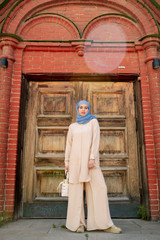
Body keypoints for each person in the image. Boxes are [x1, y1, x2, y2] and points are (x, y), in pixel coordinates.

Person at [64, 100, 122, 233]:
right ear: (77, 109)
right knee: (75, 193)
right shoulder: (72, 126)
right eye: (81, 107)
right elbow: (69, 145)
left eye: (86, 108)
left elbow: (95, 140)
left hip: (91, 163)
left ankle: (104, 224)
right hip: (75, 162)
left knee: (99, 189)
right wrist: (67, 163)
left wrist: (92, 158)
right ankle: (77, 224)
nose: (83, 110)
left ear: (89, 109)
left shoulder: (93, 122)